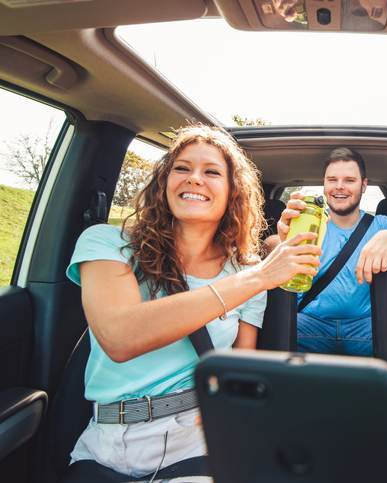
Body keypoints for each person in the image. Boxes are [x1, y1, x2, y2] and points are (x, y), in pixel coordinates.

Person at [65, 125, 321, 478]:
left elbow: (240, 366)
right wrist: (259, 276)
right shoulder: (108, 244)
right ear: (164, 182)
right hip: (108, 439)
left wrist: (232, 411)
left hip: (198, 435)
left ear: (234, 193)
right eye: (182, 168)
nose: (194, 179)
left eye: (212, 172)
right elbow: (120, 337)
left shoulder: (243, 270)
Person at [269, 147, 387, 356]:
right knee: (276, 338)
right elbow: (270, 243)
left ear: (364, 185)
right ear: (324, 184)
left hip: (365, 328)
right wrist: (278, 241)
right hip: (308, 325)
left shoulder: (383, 225)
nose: (339, 187)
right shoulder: (307, 222)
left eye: (349, 180)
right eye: (332, 180)